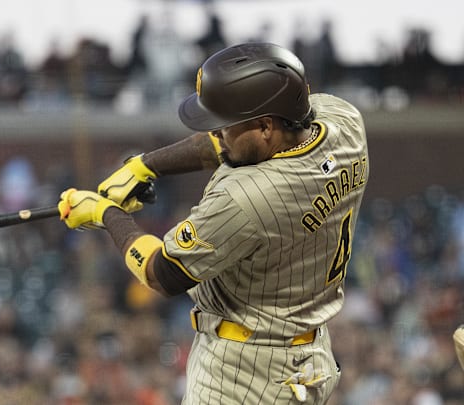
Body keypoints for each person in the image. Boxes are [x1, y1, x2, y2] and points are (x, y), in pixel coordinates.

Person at [58, 42, 369, 404]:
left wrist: (105, 214)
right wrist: (145, 166)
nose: (217, 132)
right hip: (308, 355)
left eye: (224, 125)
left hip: (246, 374)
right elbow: (234, 141)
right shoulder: (345, 124)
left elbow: (162, 273)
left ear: (266, 127)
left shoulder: (248, 198)